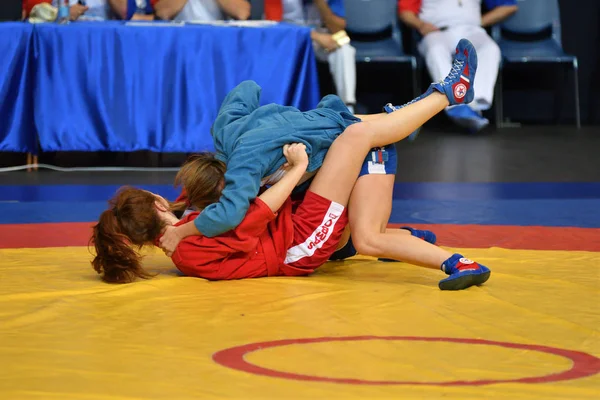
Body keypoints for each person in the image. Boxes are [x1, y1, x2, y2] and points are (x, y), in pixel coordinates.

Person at [92, 39, 491, 290]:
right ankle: (444, 96)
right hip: (298, 243)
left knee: (335, 139)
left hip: (296, 227)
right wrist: (297, 169)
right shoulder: (187, 246)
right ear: (155, 206)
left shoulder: (184, 213)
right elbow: (252, 216)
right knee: (351, 141)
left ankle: (398, 133)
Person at [398, 0, 518, 132]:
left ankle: (474, 104)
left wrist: (479, 21)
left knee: (490, 48)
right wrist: (420, 25)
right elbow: (405, 12)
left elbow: (509, 6)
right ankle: (454, 103)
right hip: (436, 30)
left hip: (471, 30)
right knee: (436, 50)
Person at [262, 0, 357, 113]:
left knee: (344, 49)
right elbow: (273, 25)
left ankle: (348, 107)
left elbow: (338, 27)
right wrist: (313, 35)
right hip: (289, 41)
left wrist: (321, 4)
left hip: (322, 40)